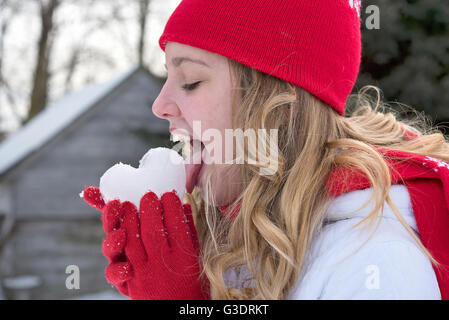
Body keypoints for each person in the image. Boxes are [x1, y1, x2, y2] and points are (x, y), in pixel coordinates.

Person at [84, 0, 449, 300]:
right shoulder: (239, 246)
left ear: (280, 105)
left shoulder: (375, 263)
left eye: (191, 81)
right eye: (167, 77)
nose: (160, 105)